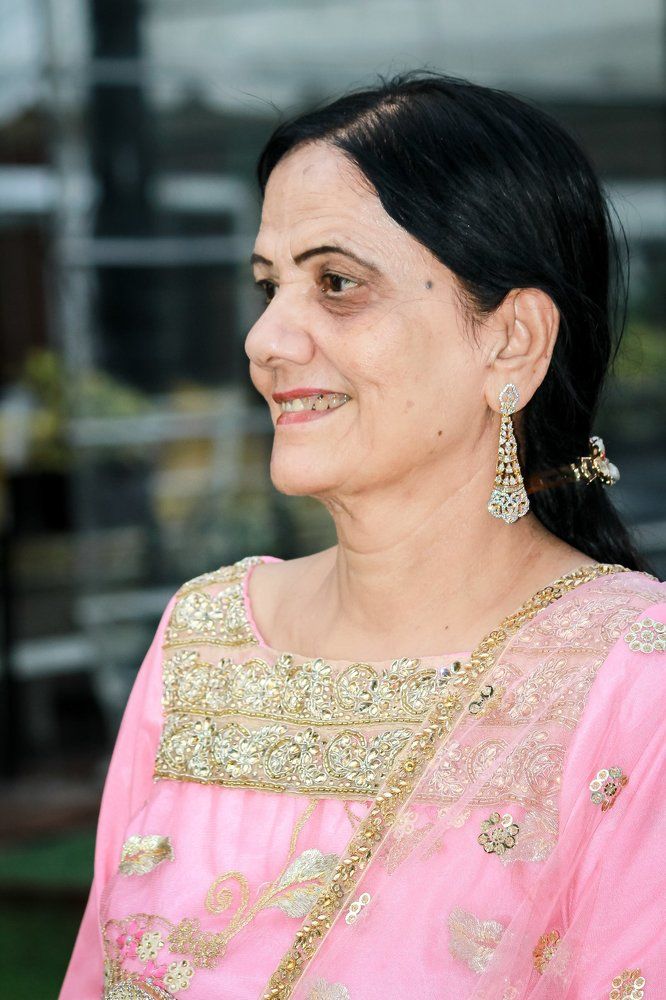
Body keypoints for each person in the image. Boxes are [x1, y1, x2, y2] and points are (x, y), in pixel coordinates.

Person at [60, 70, 666, 1000]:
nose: (266, 339)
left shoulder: (632, 679)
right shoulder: (205, 637)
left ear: (512, 341)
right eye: (269, 285)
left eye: (337, 284)